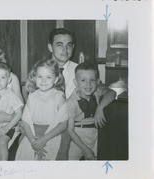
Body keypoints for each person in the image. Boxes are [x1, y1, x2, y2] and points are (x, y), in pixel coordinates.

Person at [23, 27, 117, 160]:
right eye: (59, 45)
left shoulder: (80, 71)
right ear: (50, 47)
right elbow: (28, 99)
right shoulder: (41, 72)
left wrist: (100, 107)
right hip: (41, 130)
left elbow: (110, 92)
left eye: (69, 45)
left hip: (69, 131)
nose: (65, 50)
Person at [15, 59, 69, 160]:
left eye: (49, 77)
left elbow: (63, 124)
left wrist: (44, 140)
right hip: (32, 134)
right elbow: (26, 122)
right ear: (34, 78)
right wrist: (33, 142)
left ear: (56, 79)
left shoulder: (59, 97)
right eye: (40, 76)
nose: (43, 81)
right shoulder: (32, 97)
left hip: (53, 133)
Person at [67, 62, 116, 160]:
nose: (88, 84)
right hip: (76, 138)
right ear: (76, 82)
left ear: (98, 82)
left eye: (92, 80)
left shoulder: (97, 92)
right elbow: (70, 130)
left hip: (95, 135)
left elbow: (112, 93)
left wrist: (100, 108)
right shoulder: (71, 103)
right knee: (70, 164)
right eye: (83, 80)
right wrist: (85, 149)